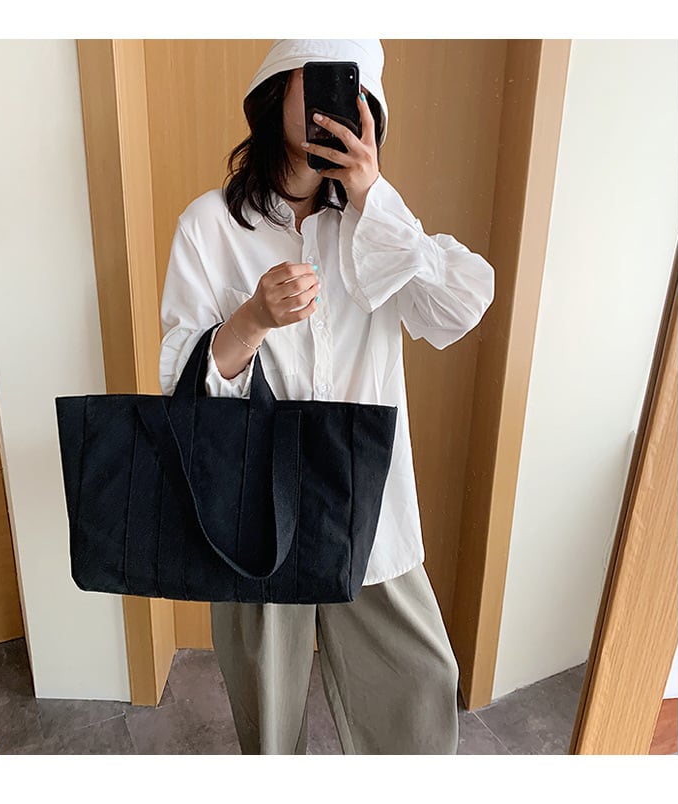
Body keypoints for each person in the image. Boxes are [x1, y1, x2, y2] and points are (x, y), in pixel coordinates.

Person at [158, 39, 495, 755]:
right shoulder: (208, 226)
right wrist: (250, 320)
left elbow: (460, 307)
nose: (337, 104)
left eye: (357, 91)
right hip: (255, 504)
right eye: (321, 82)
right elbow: (181, 383)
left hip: (364, 500)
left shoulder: (377, 229)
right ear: (275, 89)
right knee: (269, 716)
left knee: (419, 689)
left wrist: (375, 196)